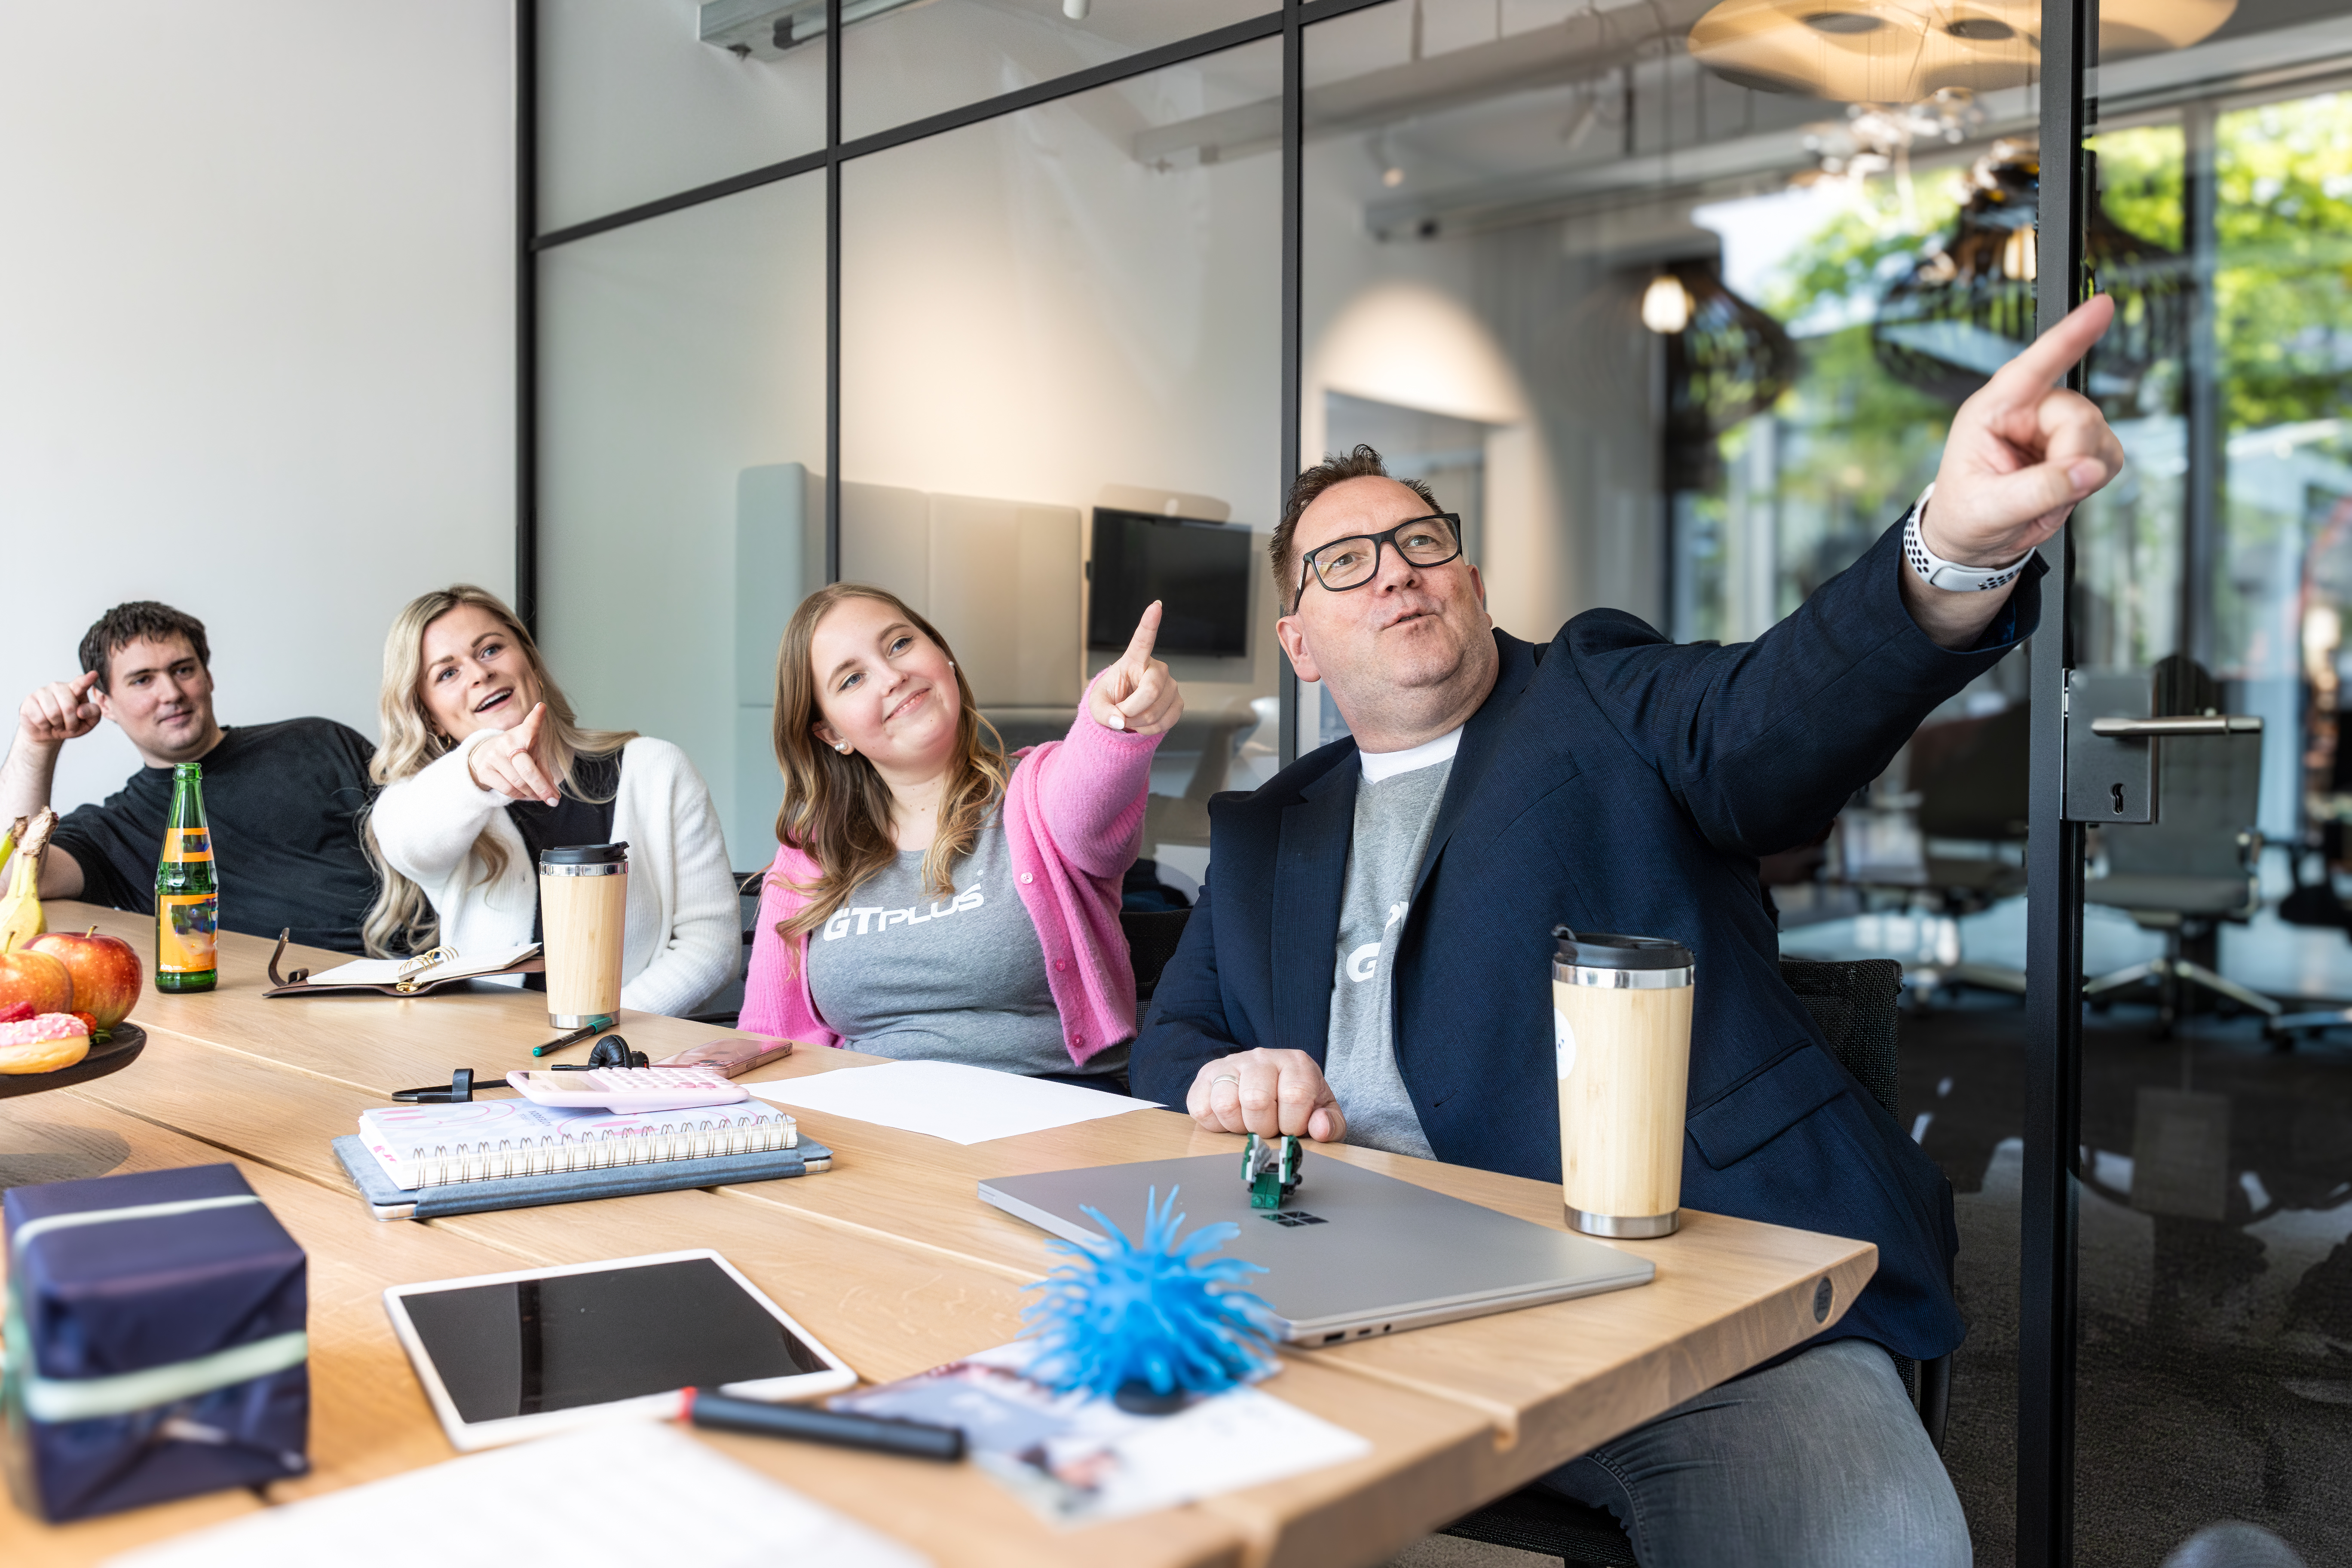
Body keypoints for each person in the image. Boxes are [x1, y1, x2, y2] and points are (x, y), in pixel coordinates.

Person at [1130, 296, 2131, 1565]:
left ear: (1474, 581)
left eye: (1420, 540)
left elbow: (1769, 719)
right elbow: (1177, 1039)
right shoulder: (1269, 826)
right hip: (1342, 1288)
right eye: (1343, 562)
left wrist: (1944, 556)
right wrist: (1224, 1072)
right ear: (1300, 645)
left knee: (1854, 1534)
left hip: (1678, 1288)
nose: (1392, 569)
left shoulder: (1600, 693)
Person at [739, 584, 1180, 1091]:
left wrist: (1113, 719)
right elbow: (768, 1040)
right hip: (873, 1127)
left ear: (942, 653)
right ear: (830, 734)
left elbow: (1091, 785)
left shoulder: (1039, 793)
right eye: (853, 678)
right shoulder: (811, 851)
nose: (892, 676)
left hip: (1052, 1117)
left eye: (900, 644)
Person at [364, 585, 738, 1016]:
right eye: (447, 673)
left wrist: (595, 1036)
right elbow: (402, 837)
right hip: (484, 1061)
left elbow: (712, 948)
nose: (478, 674)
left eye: (489, 650)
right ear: (431, 716)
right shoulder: (433, 805)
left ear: (529, 660)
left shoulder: (658, 770)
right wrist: (477, 764)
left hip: (626, 1063)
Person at [1, 601, 378, 952]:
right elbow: (11, 881)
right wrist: (36, 743)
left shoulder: (319, 741)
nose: (171, 693)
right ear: (105, 704)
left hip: (409, 972)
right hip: (257, 1006)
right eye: (142, 680)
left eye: (183, 670)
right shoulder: (114, 831)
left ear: (208, 677)